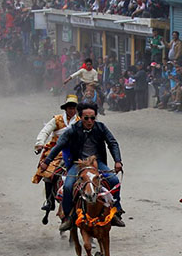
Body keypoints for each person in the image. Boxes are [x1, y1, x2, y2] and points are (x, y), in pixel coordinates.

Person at [41, 102, 125, 230]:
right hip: (78, 163)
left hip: (97, 162)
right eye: (86, 118)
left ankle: (116, 211)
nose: (90, 121)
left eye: (92, 118)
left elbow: (112, 143)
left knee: (114, 180)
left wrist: (117, 161)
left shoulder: (101, 127)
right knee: (68, 186)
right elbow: (59, 145)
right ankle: (68, 217)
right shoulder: (72, 130)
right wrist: (47, 162)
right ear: (80, 117)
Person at [33, 94, 80, 218]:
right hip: (57, 150)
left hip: (75, 150)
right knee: (48, 173)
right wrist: (39, 143)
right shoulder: (57, 119)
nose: (71, 110)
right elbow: (46, 131)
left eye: (74, 107)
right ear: (65, 109)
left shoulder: (82, 121)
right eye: (69, 107)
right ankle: (50, 201)